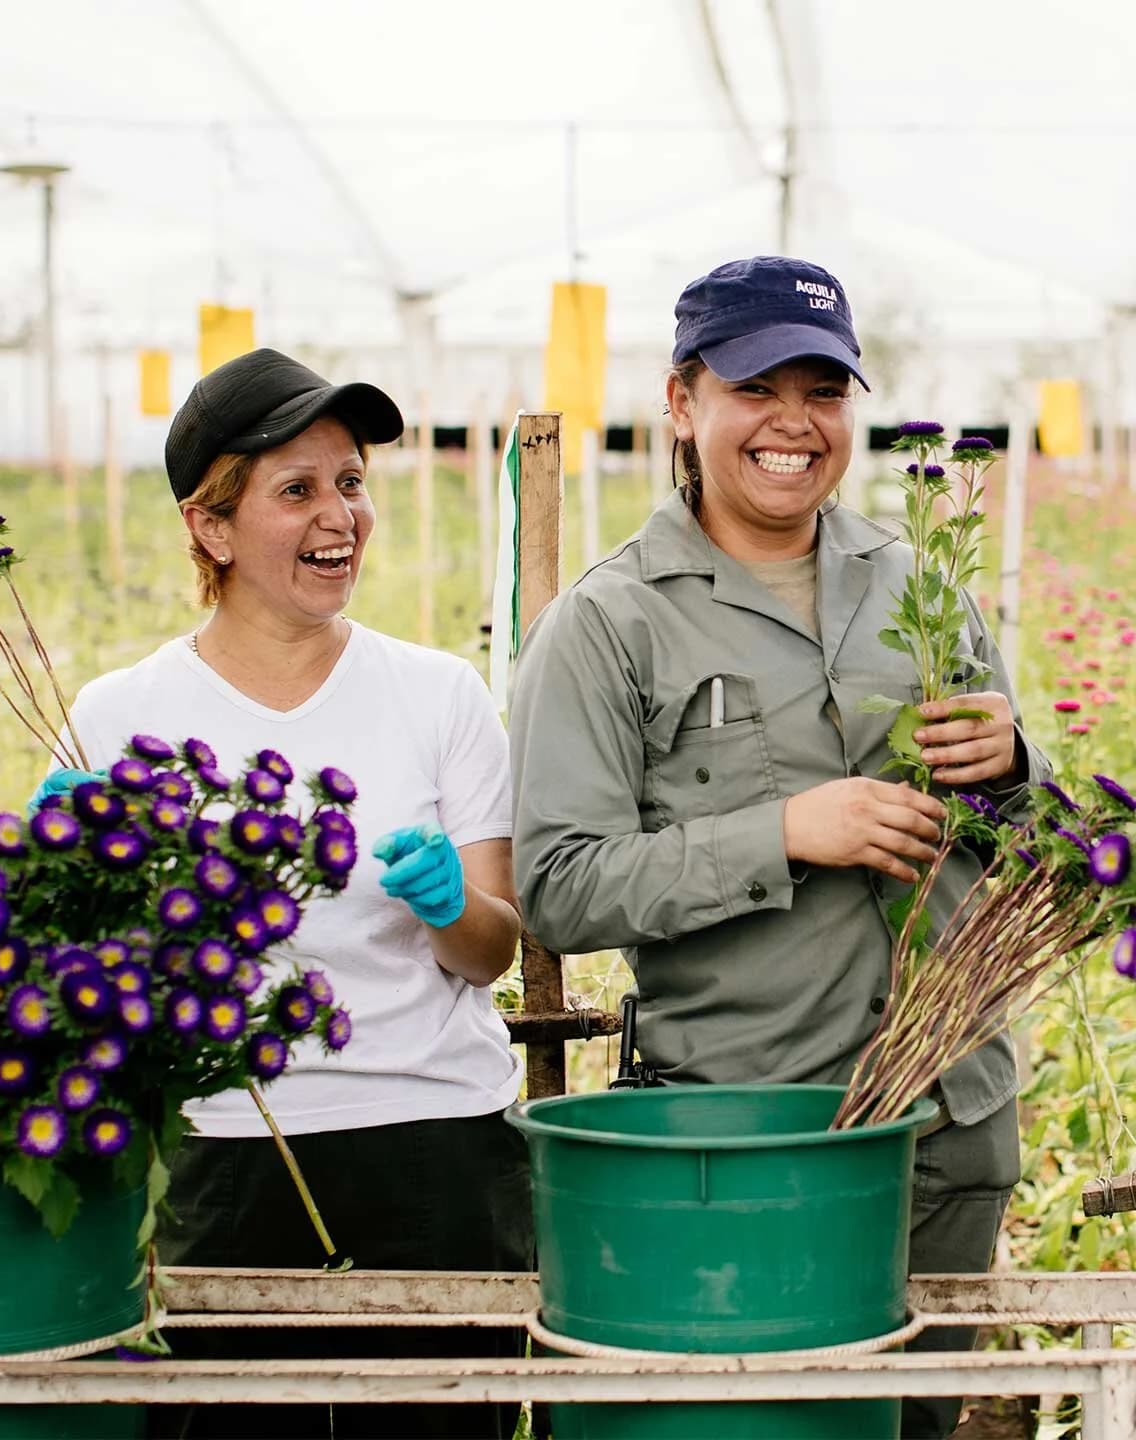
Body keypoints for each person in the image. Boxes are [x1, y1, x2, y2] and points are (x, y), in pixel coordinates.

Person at [508, 256, 1051, 1440]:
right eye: (756, 386)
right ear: (680, 400)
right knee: (764, 1424)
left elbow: (1032, 844)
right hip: (754, 1135)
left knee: (909, 1418)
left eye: (823, 388)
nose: (793, 423)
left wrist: (1012, 773)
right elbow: (553, 888)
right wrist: (784, 833)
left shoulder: (920, 587)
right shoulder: (608, 622)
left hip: (948, 1121)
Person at [36, 348, 531, 1440]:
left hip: (433, 1140)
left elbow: (492, 951)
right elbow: (88, 983)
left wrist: (450, 905)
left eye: (350, 482)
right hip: (227, 1149)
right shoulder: (122, 717)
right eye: (295, 488)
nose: (339, 515)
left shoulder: (437, 693)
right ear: (210, 527)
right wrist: (64, 879)